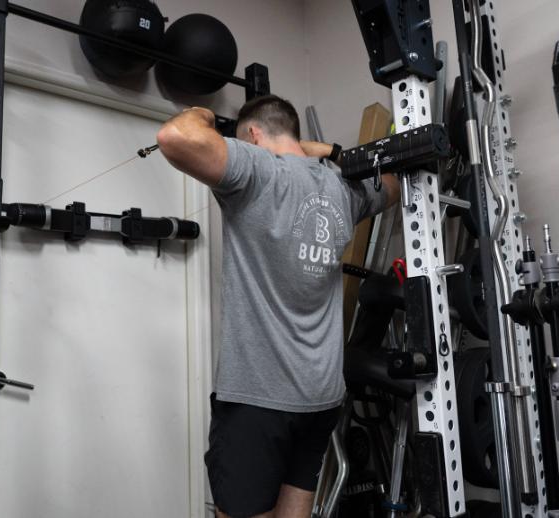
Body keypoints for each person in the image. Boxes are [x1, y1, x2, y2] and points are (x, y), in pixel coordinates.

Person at [157, 95, 399, 518]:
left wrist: (205, 114)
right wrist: (332, 153)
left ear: (252, 136)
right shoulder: (340, 188)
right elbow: (394, 184)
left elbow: (174, 136)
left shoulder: (258, 169)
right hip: (321, 396)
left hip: (258, 398)